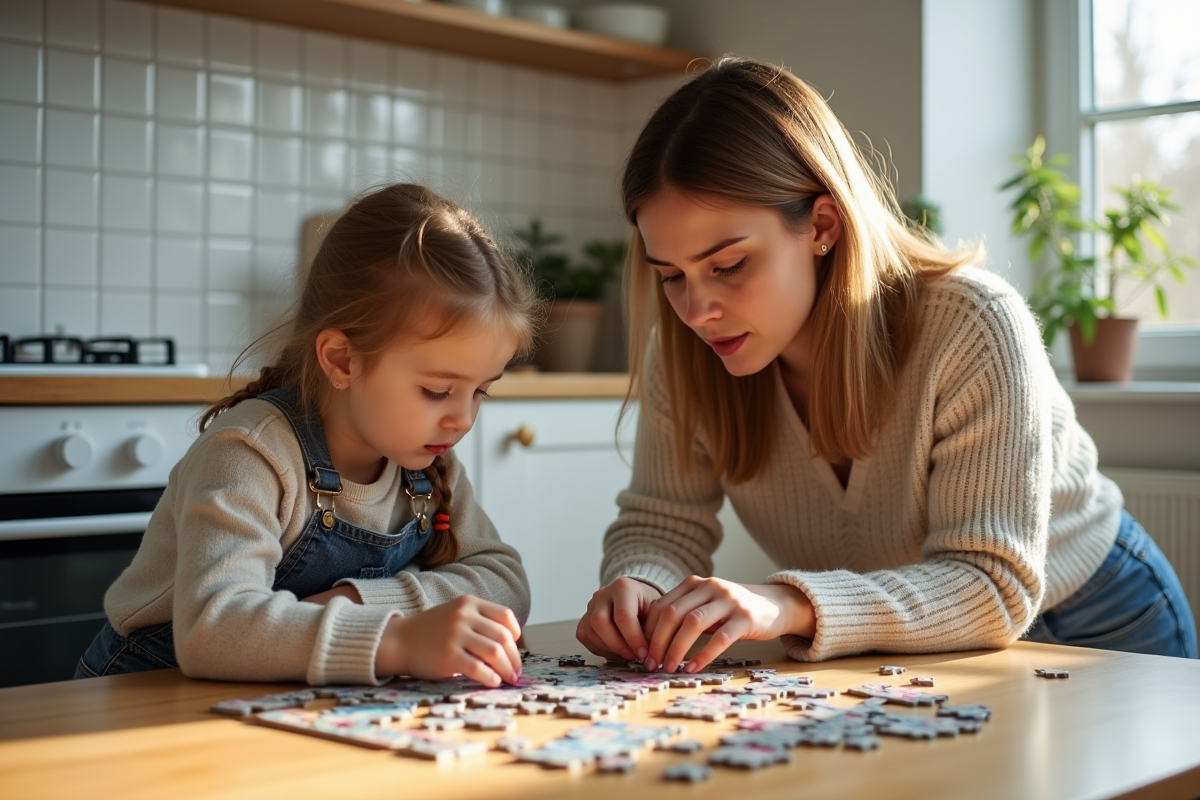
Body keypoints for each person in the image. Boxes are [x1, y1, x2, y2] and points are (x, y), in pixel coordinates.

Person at [576, 57, 1197, 673]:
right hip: (900, 641)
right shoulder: (682, 355)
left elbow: (991, 585)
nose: (697, 311)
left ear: (822, 223)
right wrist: (642, 590)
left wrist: (787, 603)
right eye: (671, 276)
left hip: (1099, 616)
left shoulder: (974, 323)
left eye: (729, 265)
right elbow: (661, 523)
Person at [76, 184, 540, 687]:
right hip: (149, 694)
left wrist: (359, 603)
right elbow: (213, 629)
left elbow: (505, 581)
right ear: (342, 360)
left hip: (286, 700)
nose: (462, 419)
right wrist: (400, 639)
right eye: (436, 390)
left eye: (480, 393)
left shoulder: (429, 464)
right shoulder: (251, 451)